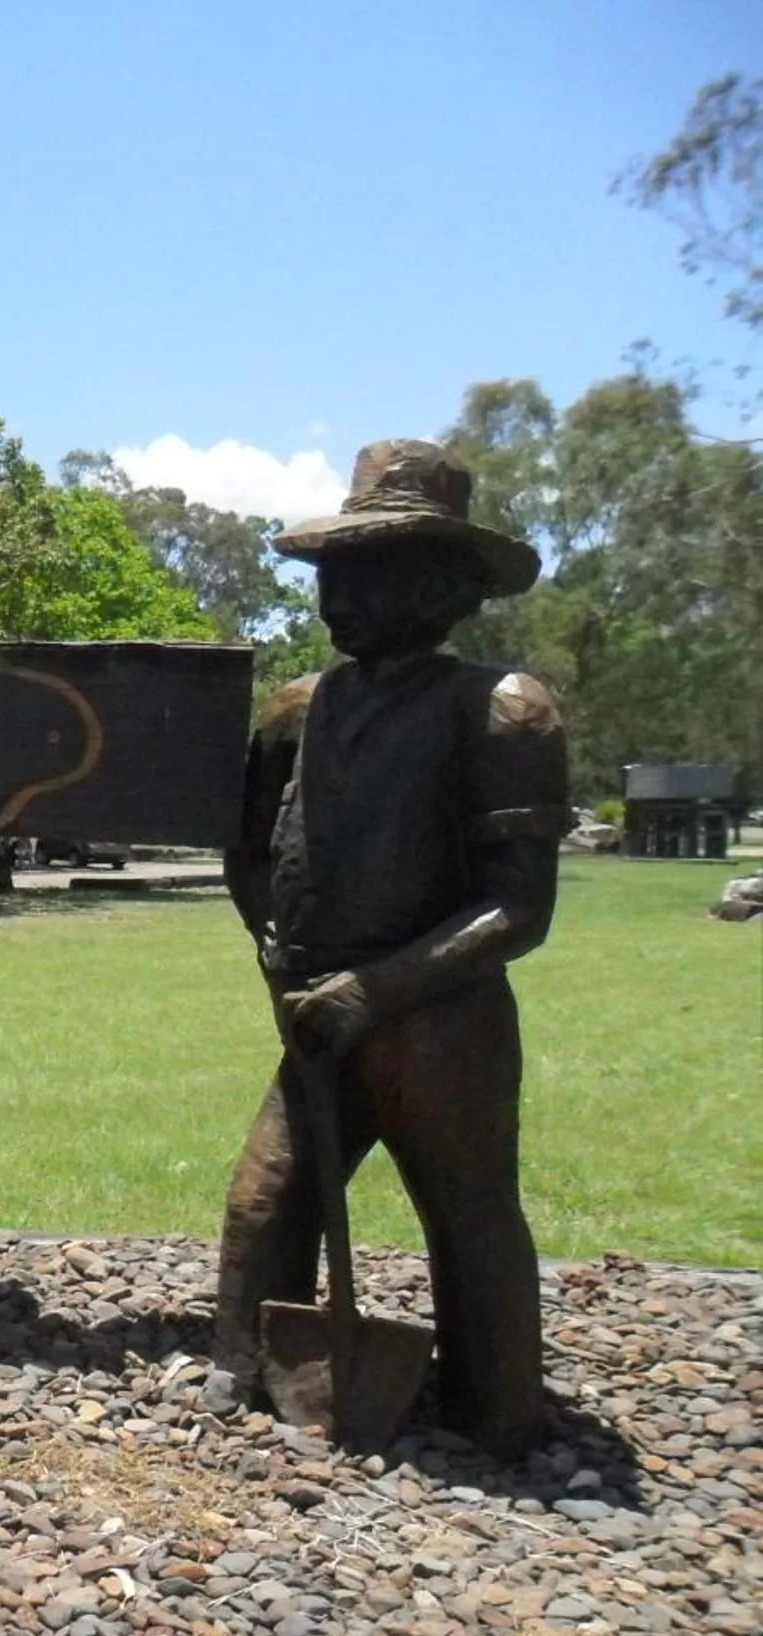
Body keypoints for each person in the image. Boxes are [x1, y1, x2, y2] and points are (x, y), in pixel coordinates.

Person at [207, 440, 568, 1458]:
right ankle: (244, 1364)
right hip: (315, 1017)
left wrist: (375, 990)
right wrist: (275, 950)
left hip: (442, 1024)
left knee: (467, 1210)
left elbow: (518, 908)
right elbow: (248, 849)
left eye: (370, 572)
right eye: (333, 573)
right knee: (266, 1201)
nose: (340, 597)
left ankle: (496, 1401)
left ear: (447, 587)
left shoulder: (503, 710)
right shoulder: (298, 711)